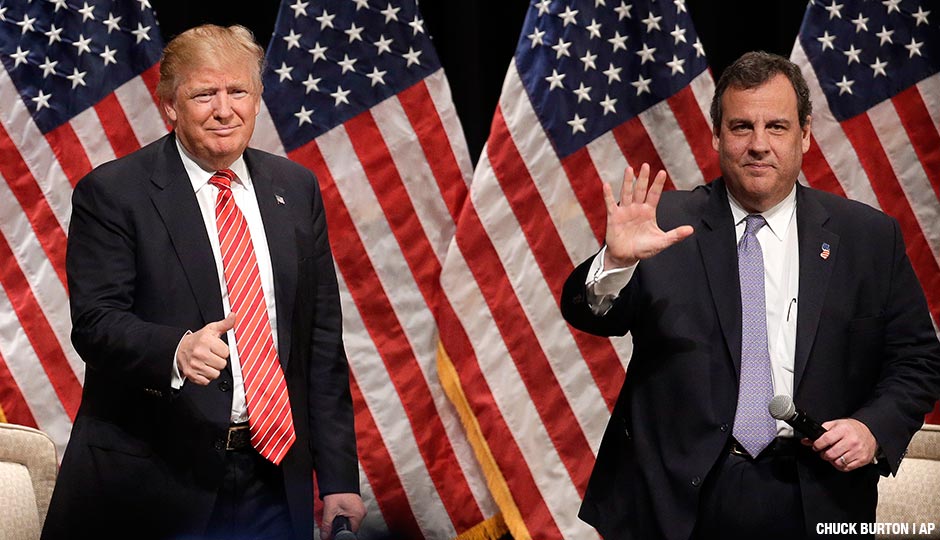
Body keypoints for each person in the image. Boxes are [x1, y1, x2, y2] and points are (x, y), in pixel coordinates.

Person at [561, 51, 940, 539]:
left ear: (804, 134)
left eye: (777, 127)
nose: (759, 144)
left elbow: (917, 359)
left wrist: (871, 429)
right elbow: (591, 314)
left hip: (815, 497)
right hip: (674, 501)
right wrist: (617, 263)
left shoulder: (868, 237)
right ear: (717, 136)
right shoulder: (666, 224)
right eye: (741, 127)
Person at [42, 24, 365, 540]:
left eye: (238, 91)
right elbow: (96, 324)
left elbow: (320, 342)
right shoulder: (115, 192)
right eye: (203, 94)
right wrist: (176, 350)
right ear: (170, 105)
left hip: (270, 478)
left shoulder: (295, 188)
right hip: (155, 480)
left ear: (257, 100)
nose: (223, 110)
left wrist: (337, 477)